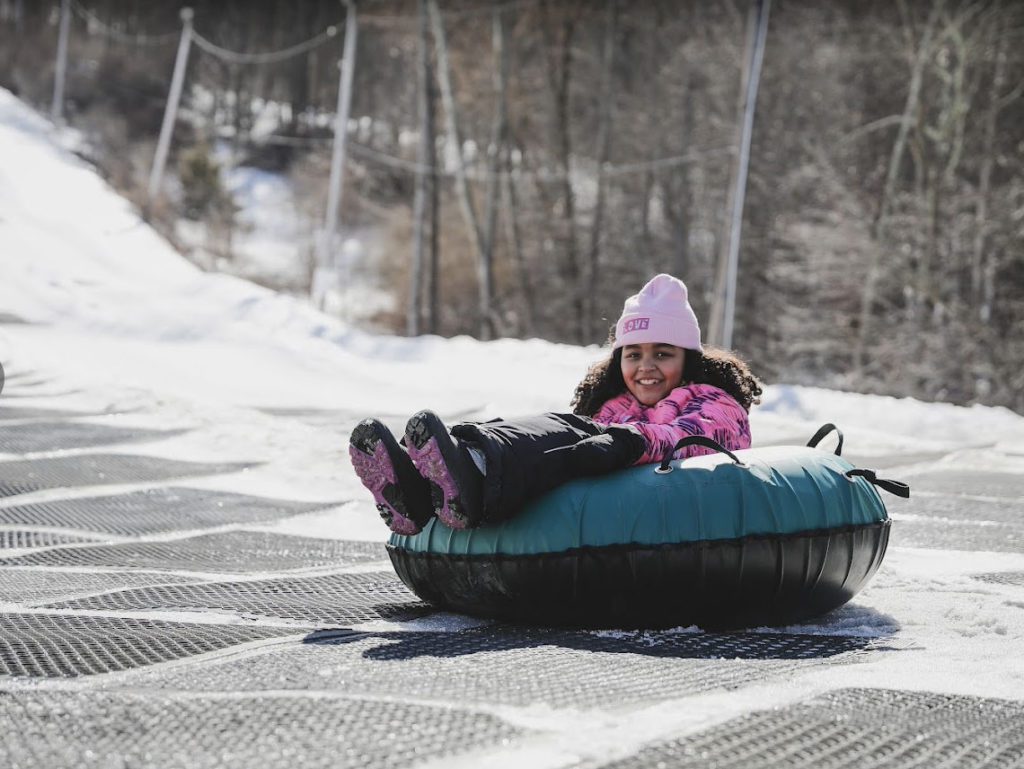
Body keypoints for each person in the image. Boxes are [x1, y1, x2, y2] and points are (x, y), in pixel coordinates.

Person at [349, 274, 762, 534]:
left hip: (679, 514)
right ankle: (425, 489)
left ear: (689, 358)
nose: (645, 367)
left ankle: (471, 472)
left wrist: (627, 443)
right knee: (561, 429)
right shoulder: (615, 407)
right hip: (611, 496)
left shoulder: (715, 401)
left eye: (663, 353)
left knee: (574, 434)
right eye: (632, 354)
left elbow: (692, 438)